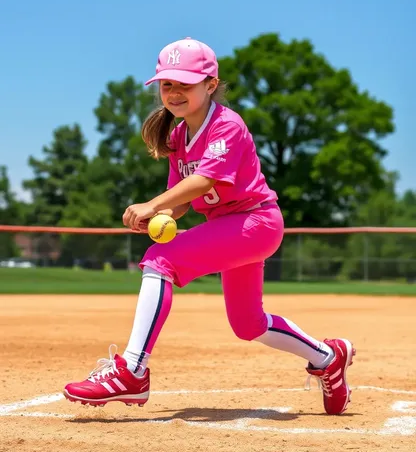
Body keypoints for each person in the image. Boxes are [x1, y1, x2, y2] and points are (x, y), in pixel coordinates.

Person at [64, 37, 355, 415]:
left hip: (255, 222)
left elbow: (204, 181)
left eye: (185, 83)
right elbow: (182, 198)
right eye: (167, 84)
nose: (174, 92)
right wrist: (160, 214)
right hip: (231, 228)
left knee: (160, 260)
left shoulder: (226, 125)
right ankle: (328, 356)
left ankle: (132, 371)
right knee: (248, 323)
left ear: (210, 85)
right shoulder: (178, 135)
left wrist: (151, 204)